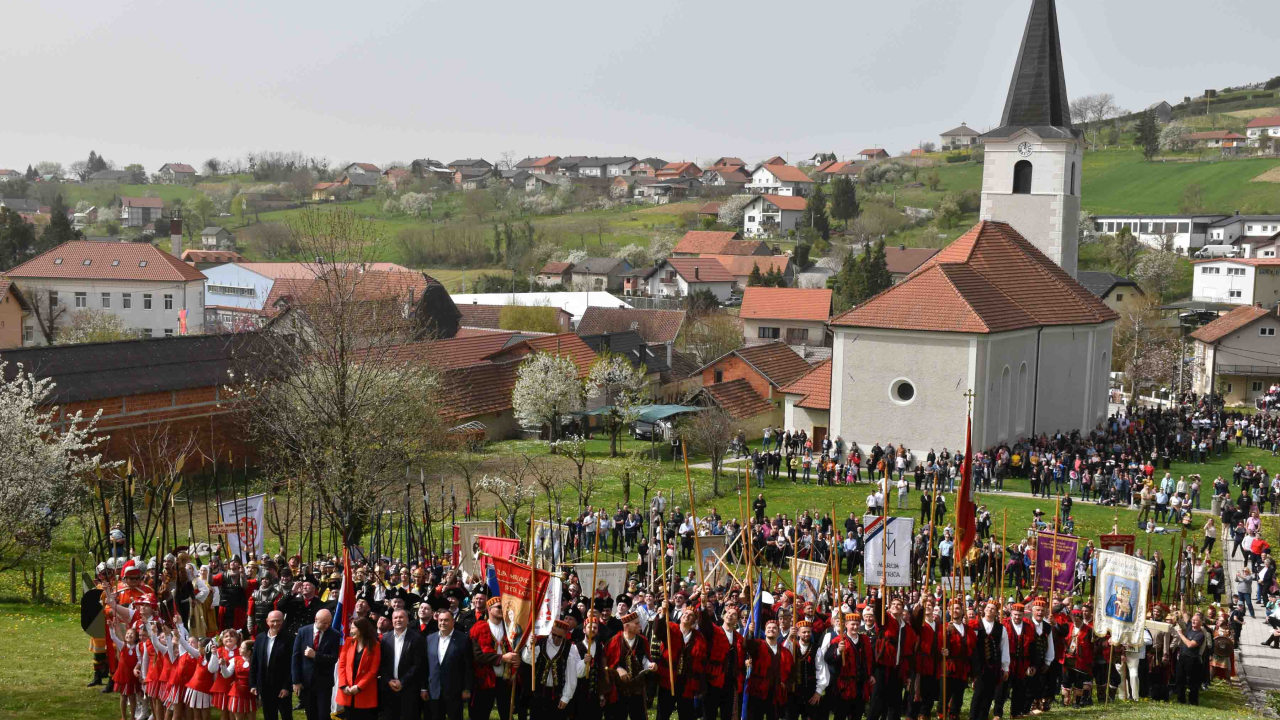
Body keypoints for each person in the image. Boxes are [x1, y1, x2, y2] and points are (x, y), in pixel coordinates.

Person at [653, 603, 706, 720]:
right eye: (685, 613)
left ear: (694, 621)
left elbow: (701, 660)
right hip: (669, 679)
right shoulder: (670, 628)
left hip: (686, 682)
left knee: (687, 715)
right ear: (681, 616)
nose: (687, 615)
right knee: (662, 714)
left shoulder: (698, 637)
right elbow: (658, 630)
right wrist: (663, 612)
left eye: (691, 615)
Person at [470, 596, 520, 720]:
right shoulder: (478, 628)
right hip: (485, 679)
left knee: (507, 714)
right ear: (489, 609)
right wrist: (502, 658)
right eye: (498, 607)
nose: (502, 609)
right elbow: (478, 656)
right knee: (481, 713)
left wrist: (517, 659)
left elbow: (518, 650)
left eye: (504, 607)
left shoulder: (511, 628)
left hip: (505, 679)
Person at [292, 608, 341, 720]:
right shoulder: (303, 631)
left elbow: (333, 658)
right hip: (306, 682)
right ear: (316, 619)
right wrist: (296, 681)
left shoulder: (334, 634)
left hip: (324, 682)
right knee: (311, 714)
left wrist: (315, 655)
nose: (327, 626)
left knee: (323, 715)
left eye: (329, 623)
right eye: (324, 623)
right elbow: (295, 657)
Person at [425, 607, 473, 720]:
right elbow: (426, 665)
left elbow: (468, 666)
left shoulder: (463, 639)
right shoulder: (429, 639)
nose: (443, 623)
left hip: (455, 691)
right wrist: (423, 688)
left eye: (446, 620)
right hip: (434, 690)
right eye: (440, 620)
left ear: (453, 621)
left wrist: (467, 688)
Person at [604, 611, 653, 720]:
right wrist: (618, 668)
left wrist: (650, 665)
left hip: (637, 688)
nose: (640, 626)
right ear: (626, 626)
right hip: (618, 689)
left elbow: (644, 659)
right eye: (636, 624)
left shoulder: (642, 641)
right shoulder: (614, 641)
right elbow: (606, 663)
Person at [379, 609, 424, 720]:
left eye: (401, 617)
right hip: (388, 688)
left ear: (407, 620)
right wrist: (389, 681)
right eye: (395, 618)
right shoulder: (385, 639)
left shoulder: (417, 638)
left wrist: (402, 681)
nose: (398, 620)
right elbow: (381, 663)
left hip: (409, 689)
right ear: (392, 621)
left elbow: (417, 665)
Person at [745, 618, 794, 720]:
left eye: (774, 628)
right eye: (769, 628)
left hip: (776, 694)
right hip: (757, 691)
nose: (771, 629)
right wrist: (750, 632)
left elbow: (791, 672)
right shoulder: (757, 645)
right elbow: (748, 645)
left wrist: (786, 685)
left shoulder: (785, 652)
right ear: (765, 630)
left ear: (778, 632)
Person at [251, 610, 295, 720]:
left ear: (283, 621)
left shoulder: (289, 639)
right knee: (269, 715)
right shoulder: (260, 638)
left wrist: (287, 687)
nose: (276, 624)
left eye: (279, 621)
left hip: (282, 687)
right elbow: (254, 662)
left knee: (286, 716)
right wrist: (253, 684)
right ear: (267, 621)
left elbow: (292, 665)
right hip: (265, 686)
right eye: (273, 621)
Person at [337, 616, 382, 719]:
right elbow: (342, 665)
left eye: (353, 628)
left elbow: (373, 670)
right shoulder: (348, 642)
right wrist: (343, 686)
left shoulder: (375, 645)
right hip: (348, 690)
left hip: (365, 691)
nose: (351, 630)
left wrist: (359, 687)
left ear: (361, 629)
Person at [1173, 612, 1206, 705]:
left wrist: (1180, 634)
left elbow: (1190, 644)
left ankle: (1193, 701)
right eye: (1193, 620)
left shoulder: (1200, 635)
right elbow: (1184, 614)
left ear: (1201, 623)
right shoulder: (1189, 628)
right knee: (1180, 679)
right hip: (1183, 657)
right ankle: (1180, 700)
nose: (1193, 621)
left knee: (1193, 682)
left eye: (1196, 620)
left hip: (1193, 660)